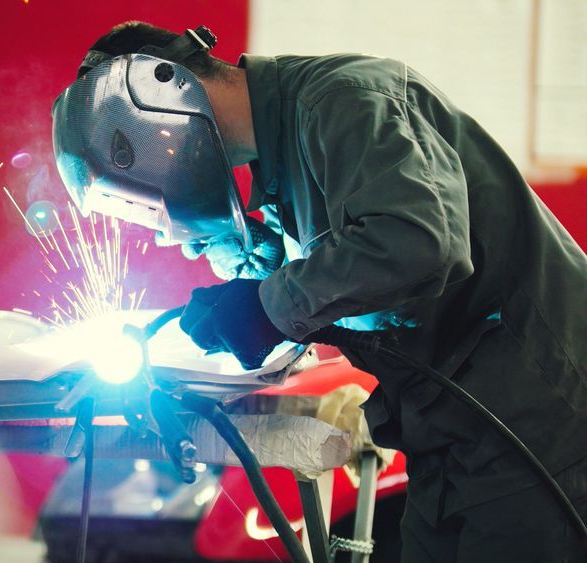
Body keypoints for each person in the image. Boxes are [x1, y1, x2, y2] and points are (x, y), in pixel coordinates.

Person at [52, 21, 587, 561]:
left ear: (156, 98)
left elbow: (419, 243)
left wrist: (267, 307)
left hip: (539, 420)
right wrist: (269, 264)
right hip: (452, 440)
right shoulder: (286, 160)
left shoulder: (346, 101)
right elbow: (364, 275)